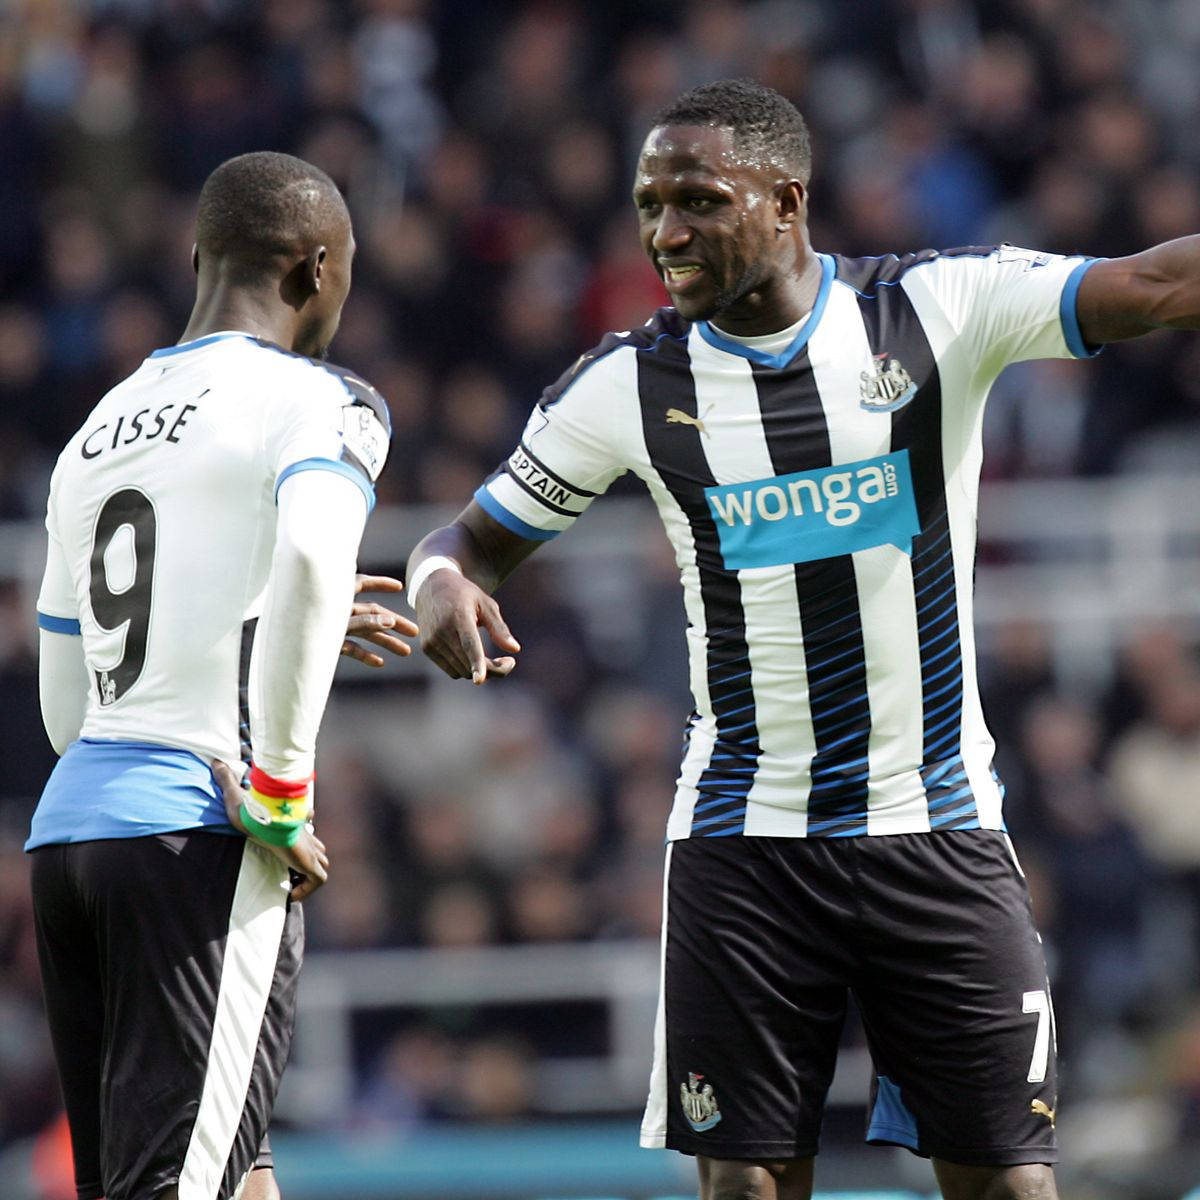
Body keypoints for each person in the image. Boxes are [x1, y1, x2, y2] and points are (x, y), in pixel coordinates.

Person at [406, 79, 1200, 1200]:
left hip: (937, 825)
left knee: (1014, 1187)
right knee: (747, 1190)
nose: (665, 232)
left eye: (698, 200)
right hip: (744, 841)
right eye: (649, 203)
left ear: (787, 200)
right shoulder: (629, 384)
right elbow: (467, 538)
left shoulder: (937, 310)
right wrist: (440, 582)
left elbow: (1159, 284)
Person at [28, 151, 416, 1200]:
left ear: (199, 257)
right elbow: (307, 558)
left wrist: (253, 633)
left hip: (70, 841)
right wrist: (284, 799)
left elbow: (71, 703)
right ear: (318, 267)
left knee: (231, 1168)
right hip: (196, 831)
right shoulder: (322, 400)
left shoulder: (94, 431)